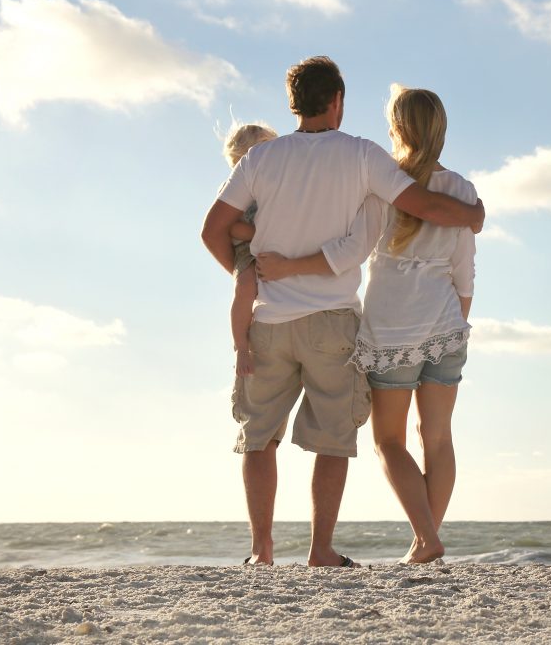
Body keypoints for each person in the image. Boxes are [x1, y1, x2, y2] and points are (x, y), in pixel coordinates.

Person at [200, 56, 484, 568]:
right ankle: (323, 550)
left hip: (269, 321)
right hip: (334, 321)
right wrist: (473, 213)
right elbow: (421, 206)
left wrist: (250, 274)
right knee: (332, 443)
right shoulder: (361, 155)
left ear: (293, 104)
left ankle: (261, 552)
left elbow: (211, 230)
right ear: (337, 102)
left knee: (259, 438)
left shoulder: (261, 160)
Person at [220, 122, 278, 377]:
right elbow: (231, 228)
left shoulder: (276, 186)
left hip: (272, 244)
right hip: (246, 246)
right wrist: (259, 236)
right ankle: (242, 347)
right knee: (245, 286)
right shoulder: (234, 189)